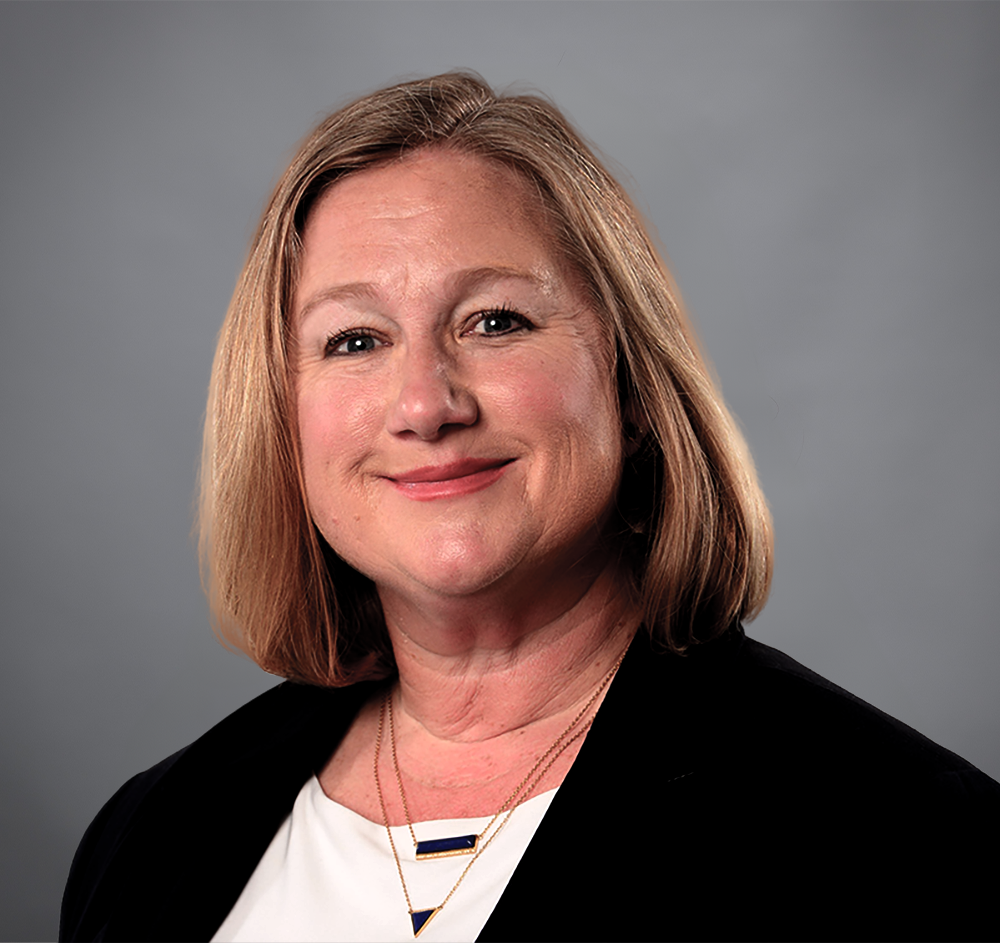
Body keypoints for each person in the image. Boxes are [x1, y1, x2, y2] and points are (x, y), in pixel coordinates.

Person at [60, 72, 998, 942]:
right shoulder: (151, 833)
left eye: (495, 322)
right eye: (354, 339)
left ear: (633, 387)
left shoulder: (903, 833)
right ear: (281, 417)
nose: (426, 405)